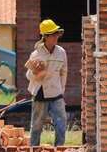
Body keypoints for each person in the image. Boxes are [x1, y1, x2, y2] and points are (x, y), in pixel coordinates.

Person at [25, 19, 68, 147]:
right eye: (53, 34)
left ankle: (59, 148)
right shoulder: (36, 54)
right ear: (45, 37)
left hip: (56, 93)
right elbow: (28, 75)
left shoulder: (61, 52)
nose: (56, 37)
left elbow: (64, 72)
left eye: (57, 34)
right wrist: (35, 72)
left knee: (61, 123)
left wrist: (62, 89)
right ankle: (34, 148)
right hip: (40, 93)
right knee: (37, 125)